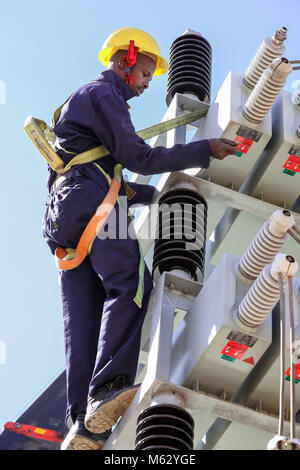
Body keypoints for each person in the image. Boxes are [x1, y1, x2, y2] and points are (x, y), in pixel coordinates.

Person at [42, 27, 238, 450]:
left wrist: (154, 194)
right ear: (125, 59)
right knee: (131, 284)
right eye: (146, 72)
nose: (148, 83)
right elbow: (139, 158)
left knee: (82, 320)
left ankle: (82, 421)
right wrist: (204, 150)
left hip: (65, 216)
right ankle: (108, 388)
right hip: (92, 202)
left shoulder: (81, 104)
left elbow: (111, 171)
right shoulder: (105, 95)